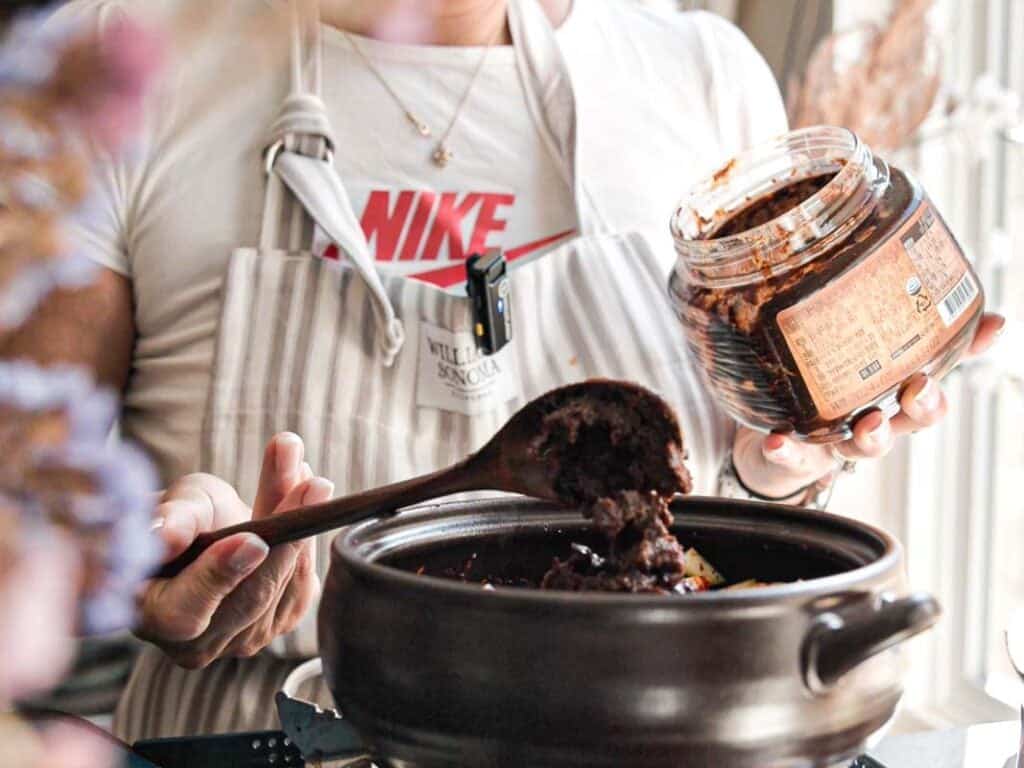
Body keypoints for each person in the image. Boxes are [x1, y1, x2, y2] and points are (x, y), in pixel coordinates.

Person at [6, 0, 1002, 741]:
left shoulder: (696, 70)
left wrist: (774, 461)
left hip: (648, 738)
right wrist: (142, 551)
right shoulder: (121, 64)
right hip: (254, 735)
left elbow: (724, 485)